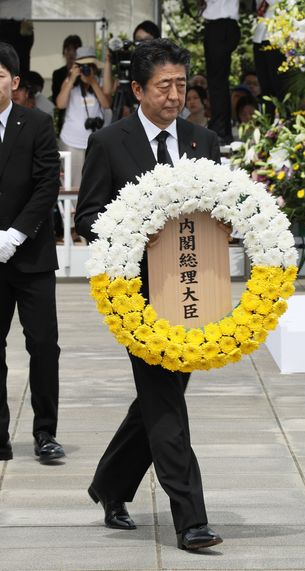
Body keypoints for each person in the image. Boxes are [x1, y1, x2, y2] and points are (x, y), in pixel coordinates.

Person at [75, 38, 223, 551]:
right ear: (137, 89)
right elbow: (87, 218)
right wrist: (136, 233)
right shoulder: (111, 143)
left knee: (159, 400)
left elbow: (219, 213)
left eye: (182, 85)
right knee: (165, 405)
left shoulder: (203, 140)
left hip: (191, 292)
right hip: (137, 297)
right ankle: (190, 518)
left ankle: (110, 486)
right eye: (165, 86)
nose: (176, 96)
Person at [0, 42, 64, 463]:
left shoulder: (38, 123)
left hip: (31, 255)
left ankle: (45, 433)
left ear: (15, 81)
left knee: (43, 345)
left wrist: (15, 234)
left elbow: (46, 185)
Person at [56, 46, 111, 188]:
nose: (86, 70)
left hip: (95, 142)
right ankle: (74, 210)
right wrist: (72, 78)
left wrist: (92, 81)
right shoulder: (70, 82)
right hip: (71, 141)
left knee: (94, 180)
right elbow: (60, 104)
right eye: (83, 67)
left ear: (94, 67)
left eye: (90, 66)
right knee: (73, 182)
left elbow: (106, 104)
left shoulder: (98, 82)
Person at [202, 0, 240, 144]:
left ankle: (221, 129)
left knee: (217, 81)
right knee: (216, 81)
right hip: (217, 25)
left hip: (222, 24)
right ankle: (221, 128)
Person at [51, 35, 82, 135]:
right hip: (64, 119)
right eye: (68, 49)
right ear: (64, 52)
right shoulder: (58, 74)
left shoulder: (84, 73)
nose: (71, 53)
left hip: (82, 117)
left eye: (75, 49)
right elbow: (56, 98)